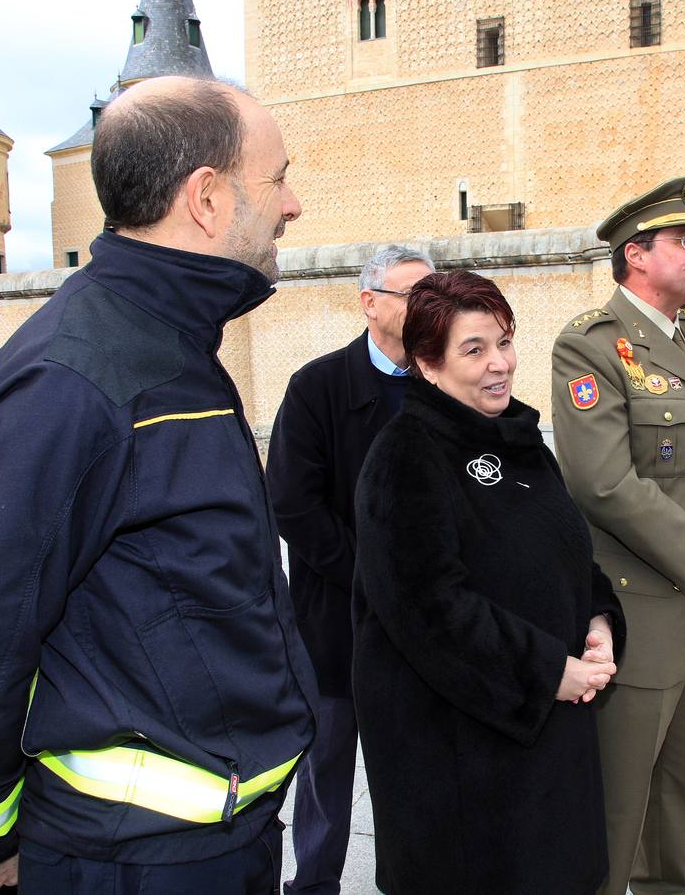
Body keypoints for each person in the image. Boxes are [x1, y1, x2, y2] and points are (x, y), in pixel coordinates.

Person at [0, 76, 318, 895]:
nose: (292, 204)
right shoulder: (76, 379)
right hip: (136, 858)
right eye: (278, 176)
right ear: (208, 198)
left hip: (212, 835)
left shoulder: (163, 339)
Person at [352, 270, 625, 894]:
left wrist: (599, 621)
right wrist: (544, 672)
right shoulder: (405, 455)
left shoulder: (520, 441)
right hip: (460, 763)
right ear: (427, 362)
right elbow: (429, 608)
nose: (499, 363)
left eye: (504, 341)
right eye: (473, 350)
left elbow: (569, 552)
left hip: (545, 746)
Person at [550, 177, 685, 895]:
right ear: (635, 255)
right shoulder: (593, 346)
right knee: (620, 804)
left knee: (684, 796)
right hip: (642, 616)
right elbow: (603, 482)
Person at [265, 244, 434, 895]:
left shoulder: (443, 382)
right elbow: (292, 503)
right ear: (369, 303)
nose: (429, 308)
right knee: (325, 770)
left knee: (417, 772)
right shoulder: (317, 387)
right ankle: (312, 886)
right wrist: (372, 576)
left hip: (423, 626)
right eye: (413, 294)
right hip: (336, 622)